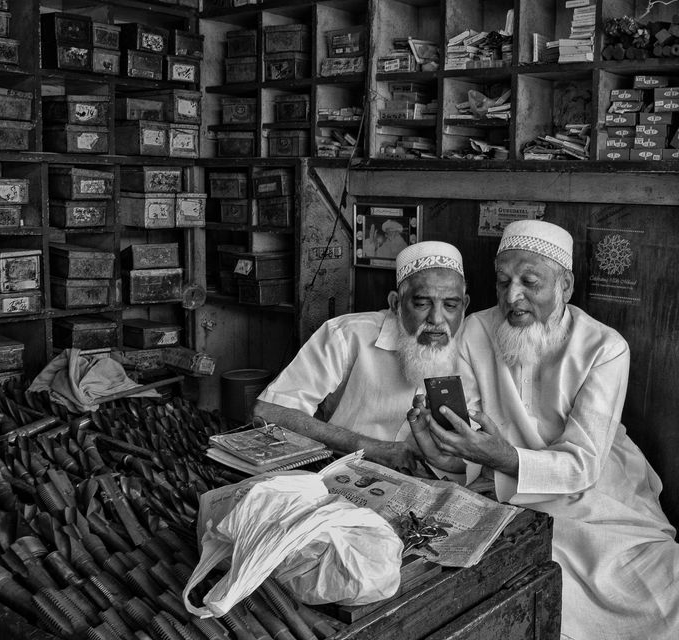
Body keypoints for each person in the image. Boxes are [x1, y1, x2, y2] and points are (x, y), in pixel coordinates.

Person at [409, 220, 679, 640]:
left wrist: (503, 456)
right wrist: (440, 451)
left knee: (658, 590)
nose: (511, 296)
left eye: (529, 282)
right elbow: (468, 448)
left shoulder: (604, 347)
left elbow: (584, 462)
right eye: (502, 282)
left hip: (597, 492)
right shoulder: (475, 330)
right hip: (504, 492)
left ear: (565, 285)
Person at [253, 241, 470, 471]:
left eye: (450, 305)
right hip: (345, 471)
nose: (436, 319)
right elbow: (268, 411)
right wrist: (369, 447)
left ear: (464, 306)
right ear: (396, 304)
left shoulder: (473, 349)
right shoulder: (347, 335)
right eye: (423, 303)